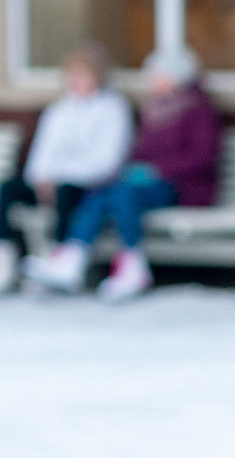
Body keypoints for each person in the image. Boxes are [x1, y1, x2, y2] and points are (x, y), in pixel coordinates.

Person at [24, 48, 222, 302]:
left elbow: (203, 157)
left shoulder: (198, 111)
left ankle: (132, 263)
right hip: (152, 184)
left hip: (186, 188)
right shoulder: (155, 110)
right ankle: (73, 256)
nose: (153, 80)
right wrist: (138, 168)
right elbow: (143, 151)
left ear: (176, 77)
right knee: (104, 192)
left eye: (159, 75)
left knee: (124, 192)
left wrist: (157, 170)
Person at [0, 41, 132, 294]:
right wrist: (40, 179)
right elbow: (42, 152)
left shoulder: (112, 109)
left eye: (85, 76)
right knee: (7, 189)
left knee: (66, 193)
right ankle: (1, 261)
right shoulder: (59, 111)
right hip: (50, 183)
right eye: (74, 76)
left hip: (85, 185)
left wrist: (59, 178)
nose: (78, 81)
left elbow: (107, 162)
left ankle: (59, 261)